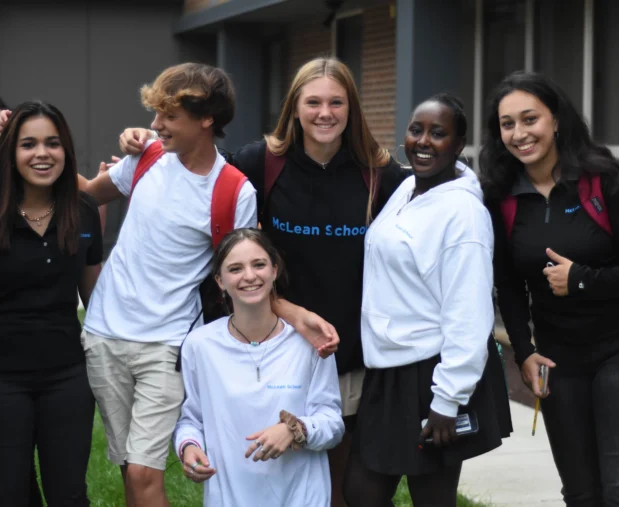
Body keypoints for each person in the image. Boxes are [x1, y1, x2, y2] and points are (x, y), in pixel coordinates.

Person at [118, 56, 408, 507]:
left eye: (337, 102)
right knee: (269, 470)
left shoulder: (381, 174)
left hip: (350, 352)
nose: (324, 113)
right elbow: (199, 168)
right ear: (294, 107)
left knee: (343, 486)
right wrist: (148, 139)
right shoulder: (262, 163)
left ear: (352, 109)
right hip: (274, 349)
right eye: (313, 102)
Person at [75, 63, 262, 507]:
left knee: (143, 470)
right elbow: (85, 193)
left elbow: (245, 277)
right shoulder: (149, 157)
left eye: (169, 116)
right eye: (156, 115)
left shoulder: (234, 191)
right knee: (129, 467)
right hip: (103, 334)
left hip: (166, 345)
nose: (156, 125)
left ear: (207, 119)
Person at [480, 71, 619, 507]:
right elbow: (506, 284)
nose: (520, 134)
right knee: (580, 493)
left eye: (530, 119)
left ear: (556, 120)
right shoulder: (501, 197)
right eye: (508, 124)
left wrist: (581, 279)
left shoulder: (603, 181)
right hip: (559, 358)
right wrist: (524, 352)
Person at [343, 94, 512, 507]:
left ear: (458, 145)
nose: (423, 141)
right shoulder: (407, 189)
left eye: (439, 133)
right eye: (416, 130)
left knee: (430, 498)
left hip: (432, 372)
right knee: (361, 492)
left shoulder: (463, 213)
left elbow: (469, 312)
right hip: (389, 367)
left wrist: (448, 399)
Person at [175, 227, 344, 506]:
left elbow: (332, 423)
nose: (250, 276)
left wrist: (294, 429)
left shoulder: (309, 342)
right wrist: (189, 447)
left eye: (259, 264)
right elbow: (191, 419)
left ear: (274, 270)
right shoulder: (199, 345)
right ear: (220, 280)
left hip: (301, 496)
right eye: (235, 269)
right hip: (230, 497)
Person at [0, 101, 103, 505]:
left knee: (69, 494)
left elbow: (95, 301)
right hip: (3, 378)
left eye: (52, 143)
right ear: (10, 152)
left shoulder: (82, 211)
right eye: (28, 144)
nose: (42, 153)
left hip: (67, 377)